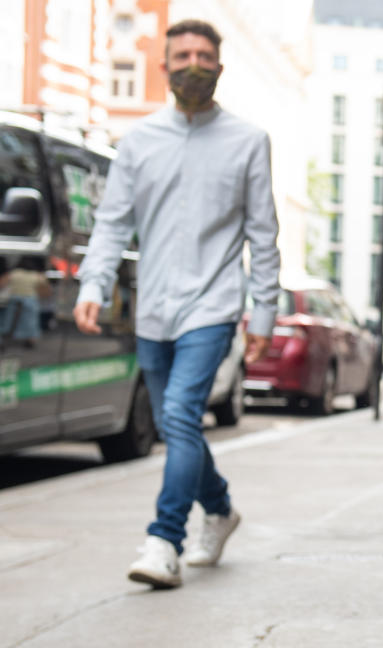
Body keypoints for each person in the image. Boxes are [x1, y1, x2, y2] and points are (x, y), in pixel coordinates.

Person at [74, 19, 280, 589]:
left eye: (204, 55)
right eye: (182, 54)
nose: (194, 64)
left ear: (220, 65)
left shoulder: (248, 141)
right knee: (175, 425)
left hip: (212, 308)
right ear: (163, 66)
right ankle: (220, 510)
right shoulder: (138, 143)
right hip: (154, 310)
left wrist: (262, 312)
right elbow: (112, 224)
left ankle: (165, 539)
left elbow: (263, 236)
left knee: (182, 417)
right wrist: (93, 286)